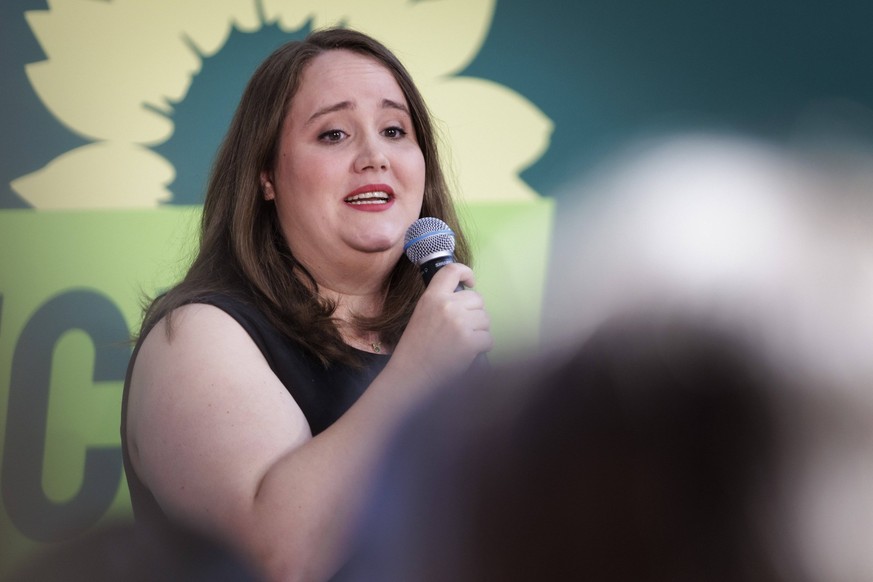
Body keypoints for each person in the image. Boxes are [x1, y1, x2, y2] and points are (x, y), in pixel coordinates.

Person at [120, 27, 492, 582]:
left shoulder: (438, 328)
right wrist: (415, 374)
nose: (375, 157)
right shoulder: (199, 335)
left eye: (394, 130)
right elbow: (272, 559)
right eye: (335, 134)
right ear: (267, 175)